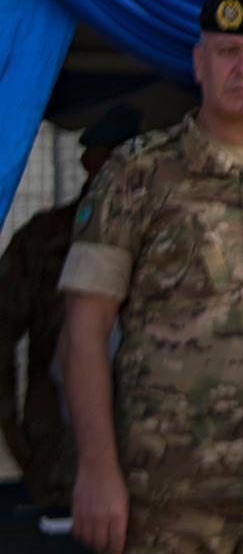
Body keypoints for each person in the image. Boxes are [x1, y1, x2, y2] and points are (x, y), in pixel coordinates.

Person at [59, 0, 243, 554]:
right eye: (227, 52)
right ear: (199, 63)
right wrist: (96, 471)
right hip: (171, 495)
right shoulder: (137, 175)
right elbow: (83, 329)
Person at [0, 106, 141, 515]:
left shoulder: (164, 232)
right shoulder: (46, 238)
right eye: (109, 158)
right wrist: (12, 429)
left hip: (152, 456)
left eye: (127, 158)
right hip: (61, 451)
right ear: (88, 162)